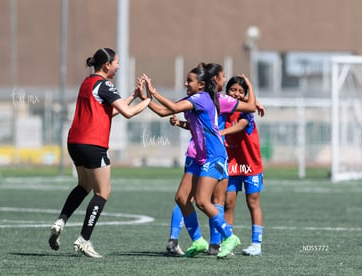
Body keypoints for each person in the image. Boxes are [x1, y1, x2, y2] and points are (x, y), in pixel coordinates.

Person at [48, 48, 151, 258]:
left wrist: (133, 96)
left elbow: (109, 112)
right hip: (93, 145)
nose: (118, 66)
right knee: (103, 192)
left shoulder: (87, 82)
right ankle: (83, 240)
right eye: (116, 63)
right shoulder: (105, 85)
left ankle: (61, 221)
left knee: (84, 185)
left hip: (74, 142)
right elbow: (129, 113)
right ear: (107, 65)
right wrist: (150, 99)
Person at [140, 64, 240, 259]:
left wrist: (153, 92)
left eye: (189, 81)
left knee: (203, 201)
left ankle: (229, 237)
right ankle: (198, 240)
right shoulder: (192, 98)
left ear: (202, 85)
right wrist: (144, 99)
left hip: (214, 155)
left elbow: (174, 107)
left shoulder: (201, 99)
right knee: (181, 198)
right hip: (200, 157)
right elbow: (163, 111)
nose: (185, 83)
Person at [165, 65, 259, 256]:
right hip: (202, 154)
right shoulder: (209, 98)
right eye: (223, 78)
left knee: (209, 199)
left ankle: (215, 243)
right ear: (215, 79)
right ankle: (187, 240)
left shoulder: (220, 99)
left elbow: (246, 111)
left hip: (214, 155)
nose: (225, 82)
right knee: (188, 198)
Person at [221, 76, 265, 256]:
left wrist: (222, 132)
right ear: (227, 91)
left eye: (241, 91)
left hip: (250, 165)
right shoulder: (224, 108)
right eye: (233, 90)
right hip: (232, 165)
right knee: (228, 203)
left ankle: (256, 244)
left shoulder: (247, 111)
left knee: (252, 202)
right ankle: (227, 242)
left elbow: (241, 125)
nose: (236, 94)